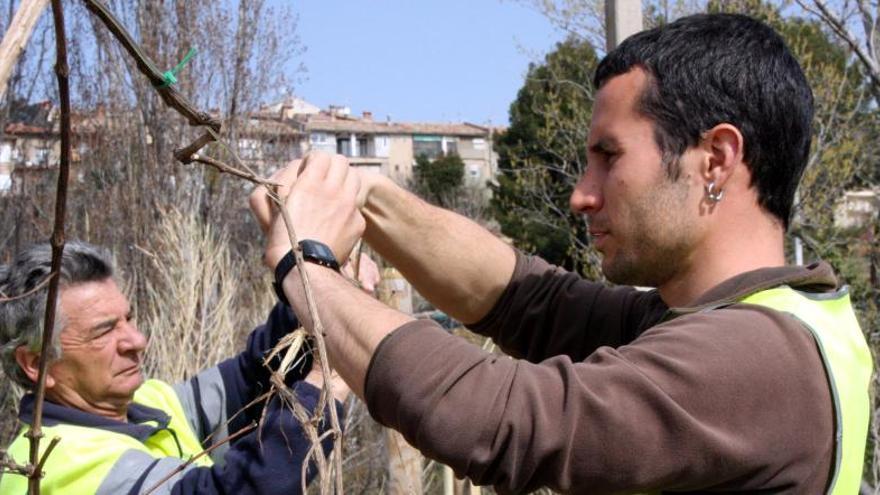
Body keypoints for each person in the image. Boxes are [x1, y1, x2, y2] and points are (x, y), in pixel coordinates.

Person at [250, 13, 873, 494]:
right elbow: (527, 299)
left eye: (610, 157)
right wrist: (366, 198)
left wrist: (305, 267)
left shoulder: (754, 360)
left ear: (715, 159)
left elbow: (502, 421)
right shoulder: (746, 320)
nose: (582, 195)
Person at [0, 240, 348, 494]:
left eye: (128, 319)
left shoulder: (144, 404)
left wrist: (318, 274)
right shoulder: (57, 463)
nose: (136, 341)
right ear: (36, 363)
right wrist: (324, 388)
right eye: (104, 331)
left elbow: (253, 376)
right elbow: (234, 491)